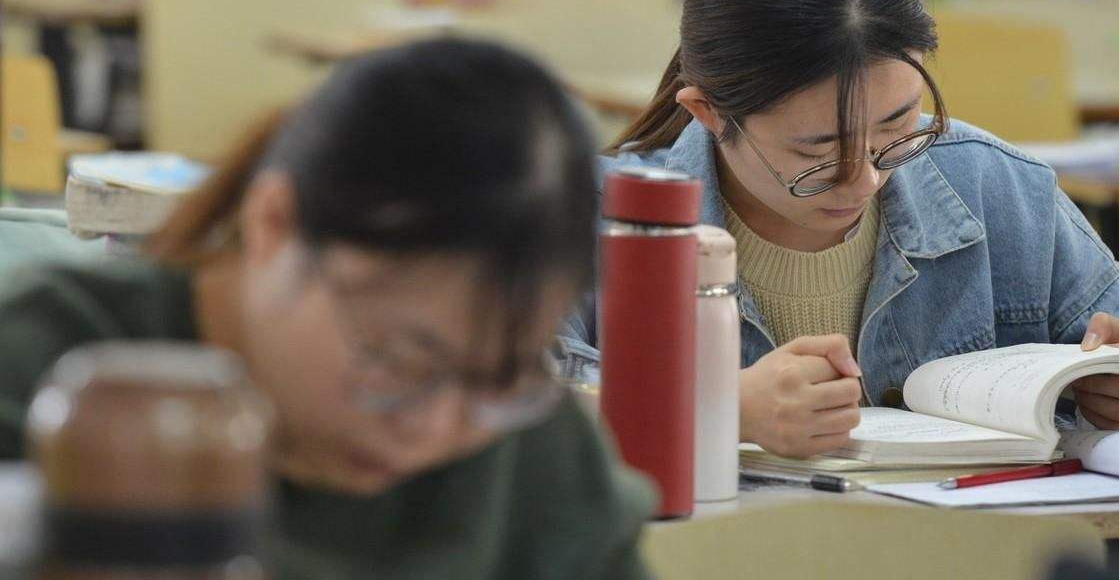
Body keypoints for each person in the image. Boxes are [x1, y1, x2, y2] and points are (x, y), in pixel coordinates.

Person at [558, 0, 1119, 459]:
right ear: (707, 113)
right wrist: (721, 408)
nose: (865, 180)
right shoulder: (586, 221)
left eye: (896, 129)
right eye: (817, 155)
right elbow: (499, 404)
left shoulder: (993, 190)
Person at [0, 39, 655, 579]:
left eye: (498, 380)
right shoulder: (50, 374)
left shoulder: (532, 449)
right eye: (397, 359)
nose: (430, 429)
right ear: (273, 223)